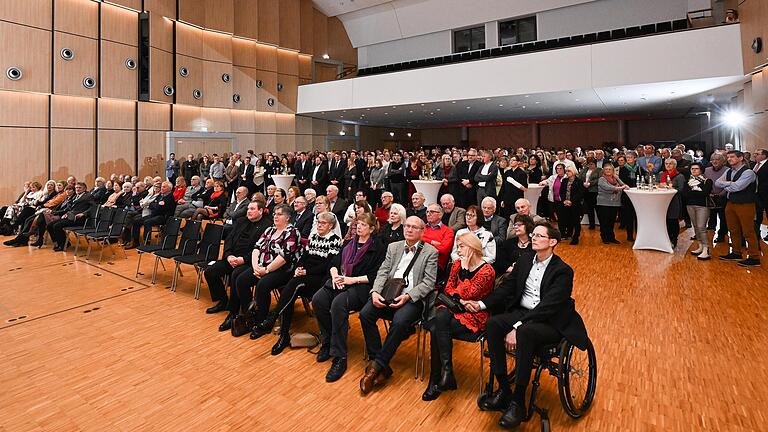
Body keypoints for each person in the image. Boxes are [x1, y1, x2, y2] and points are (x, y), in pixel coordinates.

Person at [475, 223, 589, 430]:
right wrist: (482, 304)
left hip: (550, 320)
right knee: (492, 324)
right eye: (533, 234)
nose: (533, 238)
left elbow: (548, 307)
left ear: (552, 242)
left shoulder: (563, 271)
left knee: (526, 332)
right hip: (523, 312)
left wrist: (517, 326)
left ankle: (518, 401)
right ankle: (504, 390)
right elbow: (508, 287)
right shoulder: (525, 260)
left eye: (539, 235)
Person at [358, 216, 439, 395]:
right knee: (365, 314)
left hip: (412, 299)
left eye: (414, 227)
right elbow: (383, 271)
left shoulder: (430, 252)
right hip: (388, 294)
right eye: (407, 226)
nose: (409, 229)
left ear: (422, 231)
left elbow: (428, 283)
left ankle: (375, 368)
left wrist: (408, 296)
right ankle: (379, 362)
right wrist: (375, 292)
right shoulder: (393, 247)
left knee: (400, 322)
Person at [252, 211, 343, 355]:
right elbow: (304, 256)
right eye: (318, 222)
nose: (319, 225)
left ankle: (273, 318)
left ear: (331, 226)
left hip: (320, 277)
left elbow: (328, 264)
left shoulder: (335, 240)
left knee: (294, 285)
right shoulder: (313, 237)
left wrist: (306, 272)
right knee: (291, 291)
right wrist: (299, 268)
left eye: (323, 223)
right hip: (304, 274)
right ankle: (283, 335)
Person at [312, 213, 385, 382]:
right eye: (358, 224)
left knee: (338, 304)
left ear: (372, 229)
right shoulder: (348, 243)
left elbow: (376, 275)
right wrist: (335, 275)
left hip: (360, 287)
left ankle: (340, 357)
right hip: (340, 281)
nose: (359, 227)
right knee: (318, 299)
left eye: (364, 225)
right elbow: (334, 263)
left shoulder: (378, 248)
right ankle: (328, 341)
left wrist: (351, 280)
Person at [423, 231, 495, 401]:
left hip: (473, 314)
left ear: (472, 248)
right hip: (453, 309)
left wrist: (460, 292)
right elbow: (448, 289)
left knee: (435, 327)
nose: (458, 250)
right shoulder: (456, 264)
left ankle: (439, 378)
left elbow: (470, 292)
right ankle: (444, 374)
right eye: (458, 247)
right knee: (439, 320)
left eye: (461, 247)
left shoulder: (487, 270)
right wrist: (460, 299)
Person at [229, 204, 301, 339]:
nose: (275, 216)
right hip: (262, 266)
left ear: (287, 218)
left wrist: (266, 270)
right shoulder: (269, 230)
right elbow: (256, 248)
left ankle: (261, 322)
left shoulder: (292, 232)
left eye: (279, 214)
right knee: (241, 280)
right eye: (274, 214)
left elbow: (284, 257)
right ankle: (249, 315)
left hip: (282, 270)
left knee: (263, 284)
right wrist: (256, 266)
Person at [205, 201, 272, 321]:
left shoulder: (267, 226)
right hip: (232, 258)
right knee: (210, 271)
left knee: (236, 275)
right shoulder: (241, 221)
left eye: (252, 209)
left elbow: (261, 249)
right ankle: (223, 301)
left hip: (249, 261)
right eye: (248, 209)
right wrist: (228, 255)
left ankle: (234, 311)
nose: (249, 211)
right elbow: (229, 239)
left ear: (261, 211)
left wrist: (243, 259)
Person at [716, 151, 760, 267]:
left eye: (732, 157)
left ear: (740, 158)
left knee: (748, 231)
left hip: (745, 204)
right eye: (728, 157)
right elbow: (717, 183)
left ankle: (754, 257)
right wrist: (731, 183)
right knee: (733, 229)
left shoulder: (748, 172)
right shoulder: (729, 171)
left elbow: (738, 187)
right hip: (730, 203)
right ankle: (736, 253)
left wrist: (728, 184)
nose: (729, 159)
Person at [126, 181, 176, 248]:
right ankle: (135, 241)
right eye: (161, 187)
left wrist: (156, 205)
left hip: (163, 217)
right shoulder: (160, 195)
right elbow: (151, 205)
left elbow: (159, 208)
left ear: (169, 188)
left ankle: (147, 243)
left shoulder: (170, 197)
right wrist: (156, 205)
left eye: (164, 187)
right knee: (136, 221)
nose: (162, 188)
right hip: (154, 214)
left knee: (147, 222)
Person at [47, 182, 93, 251]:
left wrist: (84, 214)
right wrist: (67, 213)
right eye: (76, 187)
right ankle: (60, 243)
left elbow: (94, 207)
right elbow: (70, 209)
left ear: (85, 188)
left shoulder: (88, 196)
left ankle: (62, 245)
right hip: (70, 217)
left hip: (79, 219)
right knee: (50, 225)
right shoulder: (76, 196)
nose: (78, 189)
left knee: (57, 226)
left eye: (80, 188)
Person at [683, 163, 713, 260]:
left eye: (696, 169)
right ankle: (700, 245)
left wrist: (693, 192)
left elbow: (705, 193)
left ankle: (706, 248)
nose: (694, 170)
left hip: (702, 206)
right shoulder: (688, 181)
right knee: (695, 227)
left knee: (701, 227)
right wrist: (697, 192)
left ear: (701, 170)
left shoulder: (707, 181)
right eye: (692, 169)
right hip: (690, 205)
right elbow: (685, 194)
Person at [596, 164, 628, 244]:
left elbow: (623, 184)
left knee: (611, 222)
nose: (608, 171)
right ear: (604, 171)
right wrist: (619, 188)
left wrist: (625, 186)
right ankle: (604, 237)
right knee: (604, 222)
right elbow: (607, 188)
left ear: (613, 170)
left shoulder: (616, 178)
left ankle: (611, 237)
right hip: (604, 203)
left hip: (615, 203)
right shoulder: (601, 179)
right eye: (606, 169)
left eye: (609, 169)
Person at [421, 203, 455, 273]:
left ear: (440, 215)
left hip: (436, 264)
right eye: (427, 212)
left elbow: (443, 249)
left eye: (432, 212)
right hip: (419, 259)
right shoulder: (421, 228)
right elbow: (416, 241)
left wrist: (424, 241)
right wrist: (432, 242)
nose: (428, 214)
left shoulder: (448, 231)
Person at [660, 159, 685, 248]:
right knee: (665, 220)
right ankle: (666, 239)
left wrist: (670, 188)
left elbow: (682, 190)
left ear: (674, 165)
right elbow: (659, 185)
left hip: (674, 200)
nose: (668, 165)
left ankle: (674, 239)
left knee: (673, 220)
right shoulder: (662, 174)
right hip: (663, 200)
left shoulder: (679, 176)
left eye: (670, 164)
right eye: (666, 163)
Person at [705, 152, 729, 243]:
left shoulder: (727, 170)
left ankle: (721, 235)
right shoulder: (707, 170)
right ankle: (711, 231)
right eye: (713, 159)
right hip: (710, 196)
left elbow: (728, 184)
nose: (714, 161)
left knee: (723, 217)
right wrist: (709, 193)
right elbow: (706, 183)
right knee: (711, 215)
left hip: (722, 196)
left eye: (717, 159)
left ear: (722, 161)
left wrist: (721, 194)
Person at [558, 166, 585, 244]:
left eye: (569, 171)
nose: (567, 172)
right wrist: (564, 200)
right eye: (566, 171)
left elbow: (580, 193)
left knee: (576, 221)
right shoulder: (564, 180)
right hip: (565, 203)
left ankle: (576, 237)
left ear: (573, 171)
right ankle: (568, 234)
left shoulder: (579, 181)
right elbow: (561, 192)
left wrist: (571, 201)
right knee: (567, 219)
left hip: (575, 204)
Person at [618, 151, 639, 241]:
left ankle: (638, 234)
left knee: (637, 215)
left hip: (637, 195)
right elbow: (622, 182)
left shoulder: (639, 168)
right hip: (627, 194)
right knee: (629, 215)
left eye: (631, 157)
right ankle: (629, 235)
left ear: (635, 158)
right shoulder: (623, 169)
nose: (629, 159)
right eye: (628, 157)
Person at [579, 158, 601, 230]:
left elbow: (600, 179)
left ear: (595, 164)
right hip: (586, 191)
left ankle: (601, 223)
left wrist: (590, 183)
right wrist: (583, 183)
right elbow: (580, 178)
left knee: (597, 208)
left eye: (592, 164)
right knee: (589, 209)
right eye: (589, 164)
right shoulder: (584, 170)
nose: (590, 166)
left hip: (594, 191)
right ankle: (592, 224)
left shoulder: (599, 170)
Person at [752, 149, 767, 241]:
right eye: (755, 154)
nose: (754, 155)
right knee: (757, 215)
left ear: (764, 156)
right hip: (756, 194)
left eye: (757, 154)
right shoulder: (754, 164)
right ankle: (757, 234)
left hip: (766, 193)